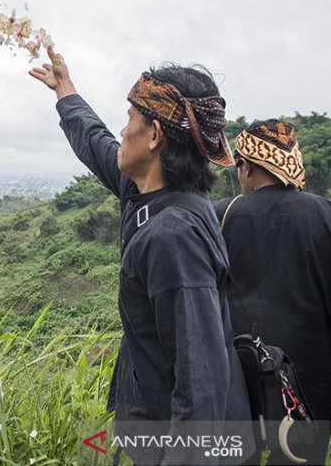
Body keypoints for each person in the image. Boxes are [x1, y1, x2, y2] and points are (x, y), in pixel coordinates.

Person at [30, 48, 252, 464]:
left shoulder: (173, 236)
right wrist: (65, 92)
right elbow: (99, 145)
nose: (122, 129)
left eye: (130, 118)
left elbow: (200, 379)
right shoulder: (162, 198)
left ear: (154, 136)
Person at [215, 120, 331, 465]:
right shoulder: (325, 214)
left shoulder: (220, 216)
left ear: (246, 166)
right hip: (309, 392)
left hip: (238, 384)